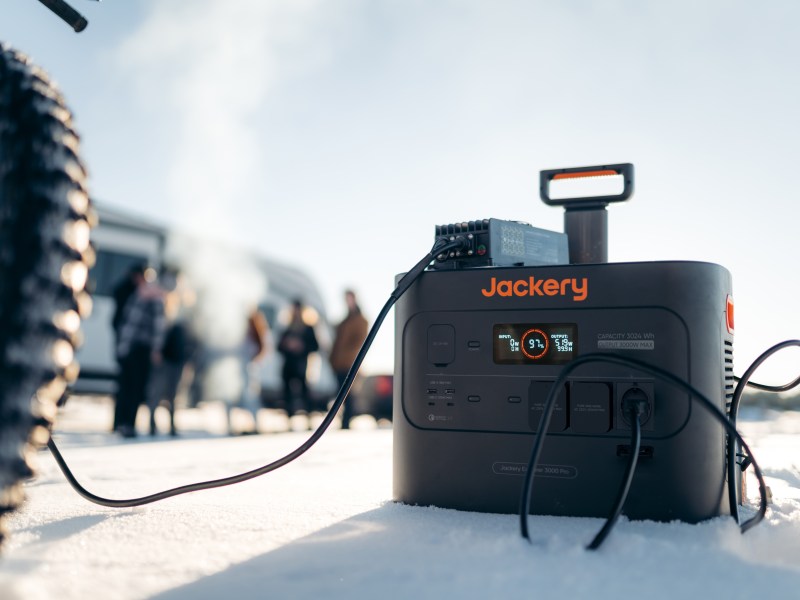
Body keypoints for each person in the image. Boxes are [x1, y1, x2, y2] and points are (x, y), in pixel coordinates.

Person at [114, 270, 167, 438]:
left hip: (135, 348)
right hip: (136, 349)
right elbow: (152, 326)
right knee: (131, 388)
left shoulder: (146, 295)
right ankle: (124, 424)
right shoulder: (146, 295)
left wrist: (124, 346)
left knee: (131, 387)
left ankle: (124, 424)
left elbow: (154, 326)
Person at [146, 272, 191, 436]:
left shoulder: (186, 304)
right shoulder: (163, 301)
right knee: (157, 391)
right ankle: (152, 423)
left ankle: (171, 425)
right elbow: (158, 331)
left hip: (178, 357)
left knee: (173, 394)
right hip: (165, 356)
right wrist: (156, 350)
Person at [226, 307, 269, 435]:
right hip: (232, 365)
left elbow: (261, 344)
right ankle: (230, 425)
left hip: (247, 364)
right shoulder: (230, 321)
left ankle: (255, 424)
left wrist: (254, 357)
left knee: (249, 395)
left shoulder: (253, 321)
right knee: (229, 395)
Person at [329, 289, 369, 429]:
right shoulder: (344, 321)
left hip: (351, 363)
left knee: (348, 394)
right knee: (342, 393)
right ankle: (344, 422)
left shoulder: (360, 320)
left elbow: (360, 341)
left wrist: (348, 353)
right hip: (338, 363)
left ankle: (346, 423)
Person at [277, 299, 319, 429]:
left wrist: (301, 346)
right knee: (287, 395)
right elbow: (278, 347)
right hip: (288, 366)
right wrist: (287, 345)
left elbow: (315, 346)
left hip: (302, 366)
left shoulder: (308, 328)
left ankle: (308, 422)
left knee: (305, 394)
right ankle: (289, 423)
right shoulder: (287, 328)